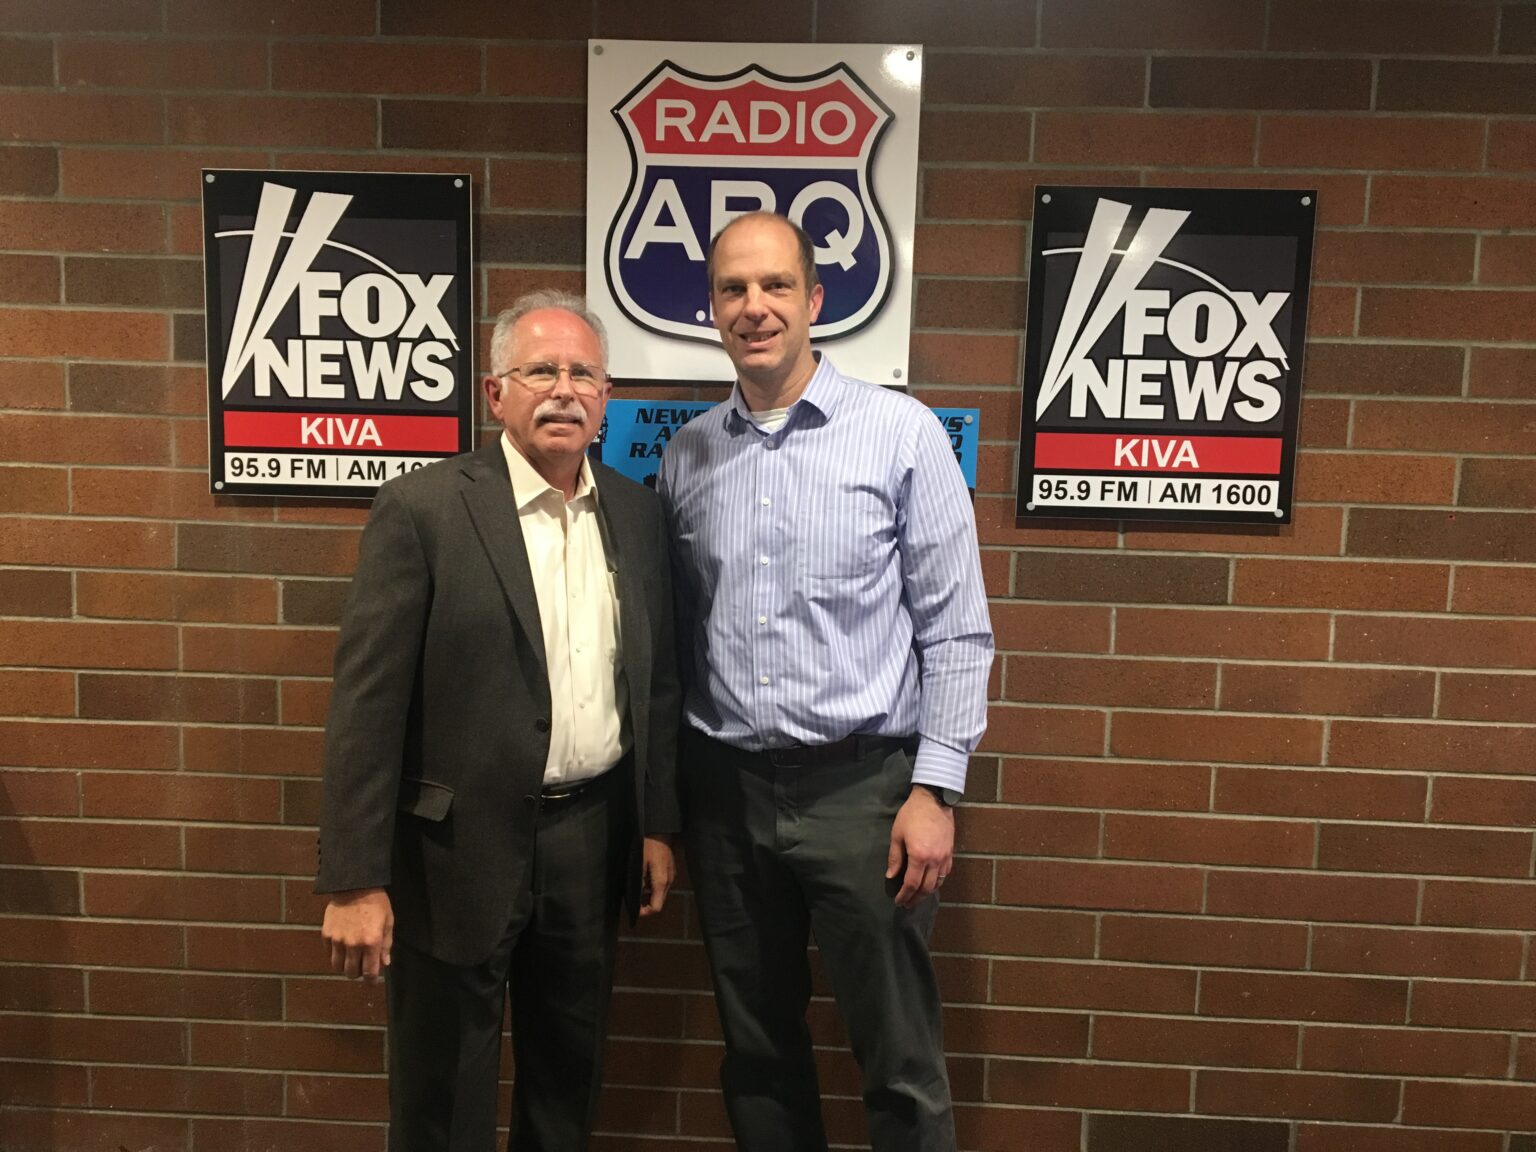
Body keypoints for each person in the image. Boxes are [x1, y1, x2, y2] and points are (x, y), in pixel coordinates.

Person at [657, 212, 994, 1151]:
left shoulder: (901, 434)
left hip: (866, 794)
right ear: (711, 309)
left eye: (775, 286)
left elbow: (957, 629)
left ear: (813, 299)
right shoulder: (688, 455)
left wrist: (935, 790)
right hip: (727, 797)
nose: (754, 307)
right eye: (733, 289)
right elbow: (677, 633)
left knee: (899, 1059)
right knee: (758, 1053)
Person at [316, 290, 680, 1151]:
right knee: (443, 1100)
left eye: (583, 374)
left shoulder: (637, 514)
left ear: (607, 396)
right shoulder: (425, 510)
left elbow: (657, 685)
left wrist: (656, 825)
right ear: (495, 393)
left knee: (567, 1086)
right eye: (540, 371)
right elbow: (367, 705)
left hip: (592, 839)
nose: (564, 390)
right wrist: (355, 878)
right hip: (454, 852)